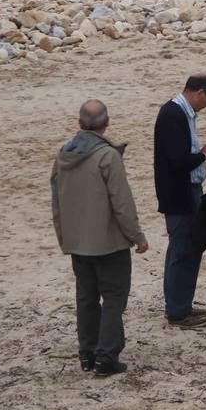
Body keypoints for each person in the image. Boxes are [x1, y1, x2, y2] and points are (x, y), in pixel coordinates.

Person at [50, 100, 148, 377]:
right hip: (108, 242)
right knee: (114, 298)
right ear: (107, 123)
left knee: (86, 298)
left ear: (80, 123)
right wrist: (137, 236)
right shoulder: (107, 156)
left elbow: (56, 202)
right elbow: (122, 202)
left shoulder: (63, 155)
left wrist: (64, 237)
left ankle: (88, 353)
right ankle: (106, 355)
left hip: (78, 242)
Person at [154, 75, 206, 329]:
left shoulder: (180, 113)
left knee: (186, 249)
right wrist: (204, 154)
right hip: (179, 195)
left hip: (185, 192)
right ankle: (178, 312)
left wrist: (205, 155)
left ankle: (181, 306)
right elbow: (177, 162)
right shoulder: (174, 114)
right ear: (200, 92)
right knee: (183, 250)